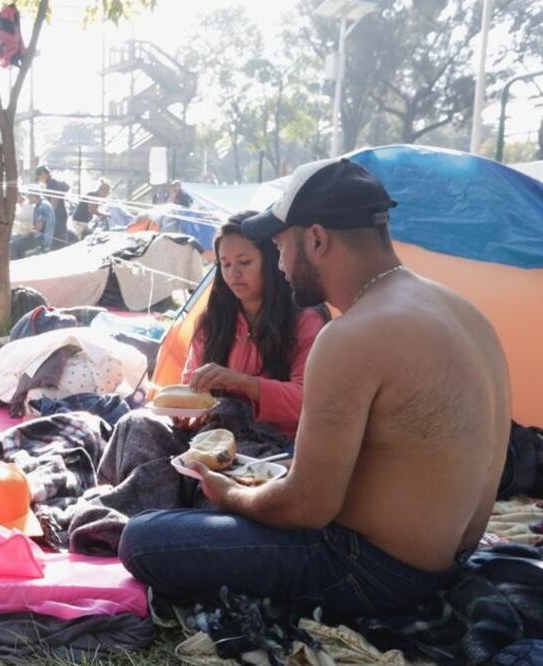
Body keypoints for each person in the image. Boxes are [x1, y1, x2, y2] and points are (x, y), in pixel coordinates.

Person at [119, 158, 511, 619]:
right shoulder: (463, 312)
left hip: (372, 572)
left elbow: (306, 507)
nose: (280, 263)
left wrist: (230, 494)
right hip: (449, 559)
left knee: (143, 540)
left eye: (281, 247)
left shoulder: (351, 335)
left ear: (317, 240)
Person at [176, 213, 327, 437]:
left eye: (244, 262)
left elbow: (307, 400)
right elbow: (189, 391)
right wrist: (180, 413)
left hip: (270, 443)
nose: (233, 274)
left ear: (273, 260)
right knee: (136, 424)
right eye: (225, 264)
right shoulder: (211, 322)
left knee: (229, 410)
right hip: (208, 436)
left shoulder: (305, 321)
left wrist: (242, 383)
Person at [34, 164, 70, 250]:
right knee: (59, 239)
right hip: (60, 213)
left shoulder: (51, 182)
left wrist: (49, 215)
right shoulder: (54, 181)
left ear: (43, 173)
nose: (39, 180)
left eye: (38, 177)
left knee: (57, 241)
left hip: (57, 215)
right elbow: (67, 187)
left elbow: (54, 199)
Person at [10, 193, 55, 260]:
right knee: (18, 242)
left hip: (41, 240)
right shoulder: (42, 204)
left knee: (13, 245)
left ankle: (16, 265)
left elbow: (38, 228)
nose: (27, 198)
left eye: (29, 196)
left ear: (34, 196)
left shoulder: (42, 206)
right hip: (43, 238)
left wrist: (29, 233)